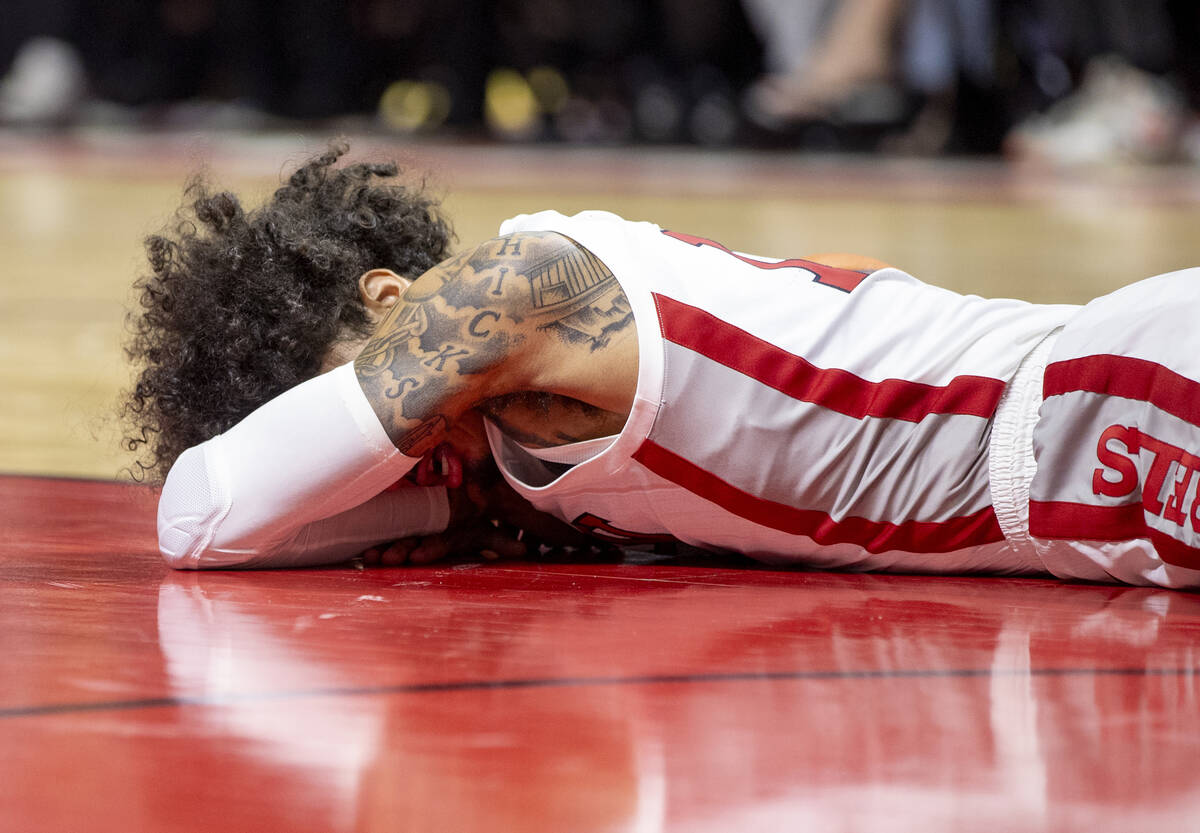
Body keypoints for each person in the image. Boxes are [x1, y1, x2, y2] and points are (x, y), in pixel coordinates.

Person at [129, 143, 1200, 589]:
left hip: (1112, 408)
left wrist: (399, 483)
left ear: (388, 296)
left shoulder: (510, 287)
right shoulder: (517, 441)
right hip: (1091, 497)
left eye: (366, 407)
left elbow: (200, 516)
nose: (415, 452)